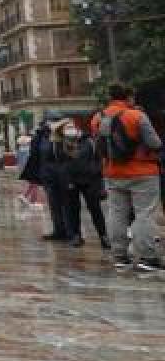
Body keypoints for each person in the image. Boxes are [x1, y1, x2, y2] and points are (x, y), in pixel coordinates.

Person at [90, 84, 163, 271]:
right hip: (142, 172)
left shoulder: (98, 118)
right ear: (129, 97)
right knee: (144, 214)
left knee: (116, 213)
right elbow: (154, 142)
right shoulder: (136, 115)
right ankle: (148, 257)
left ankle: (119, 256)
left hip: (112, 172)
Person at [51, 119, 109, 249]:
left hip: (89, 180)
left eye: (72, 126)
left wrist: (95, 175)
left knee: (95, 209)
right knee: (72, 210)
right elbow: (60, 164)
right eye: (66, 127)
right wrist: (67, 180)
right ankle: (76, 236)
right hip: (70, 182)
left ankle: (103, 236)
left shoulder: (88, 141)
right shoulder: (58, 144)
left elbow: (97, 159)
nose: (70, 129)